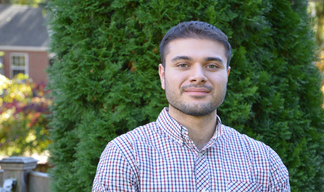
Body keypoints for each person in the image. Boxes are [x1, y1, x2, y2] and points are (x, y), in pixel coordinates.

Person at [92, 21, 290, 192]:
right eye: (183, 65)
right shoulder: (125, 155)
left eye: (212, 66)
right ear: (162, 75)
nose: (198, 76)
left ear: (227, 75)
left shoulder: (265, 161)